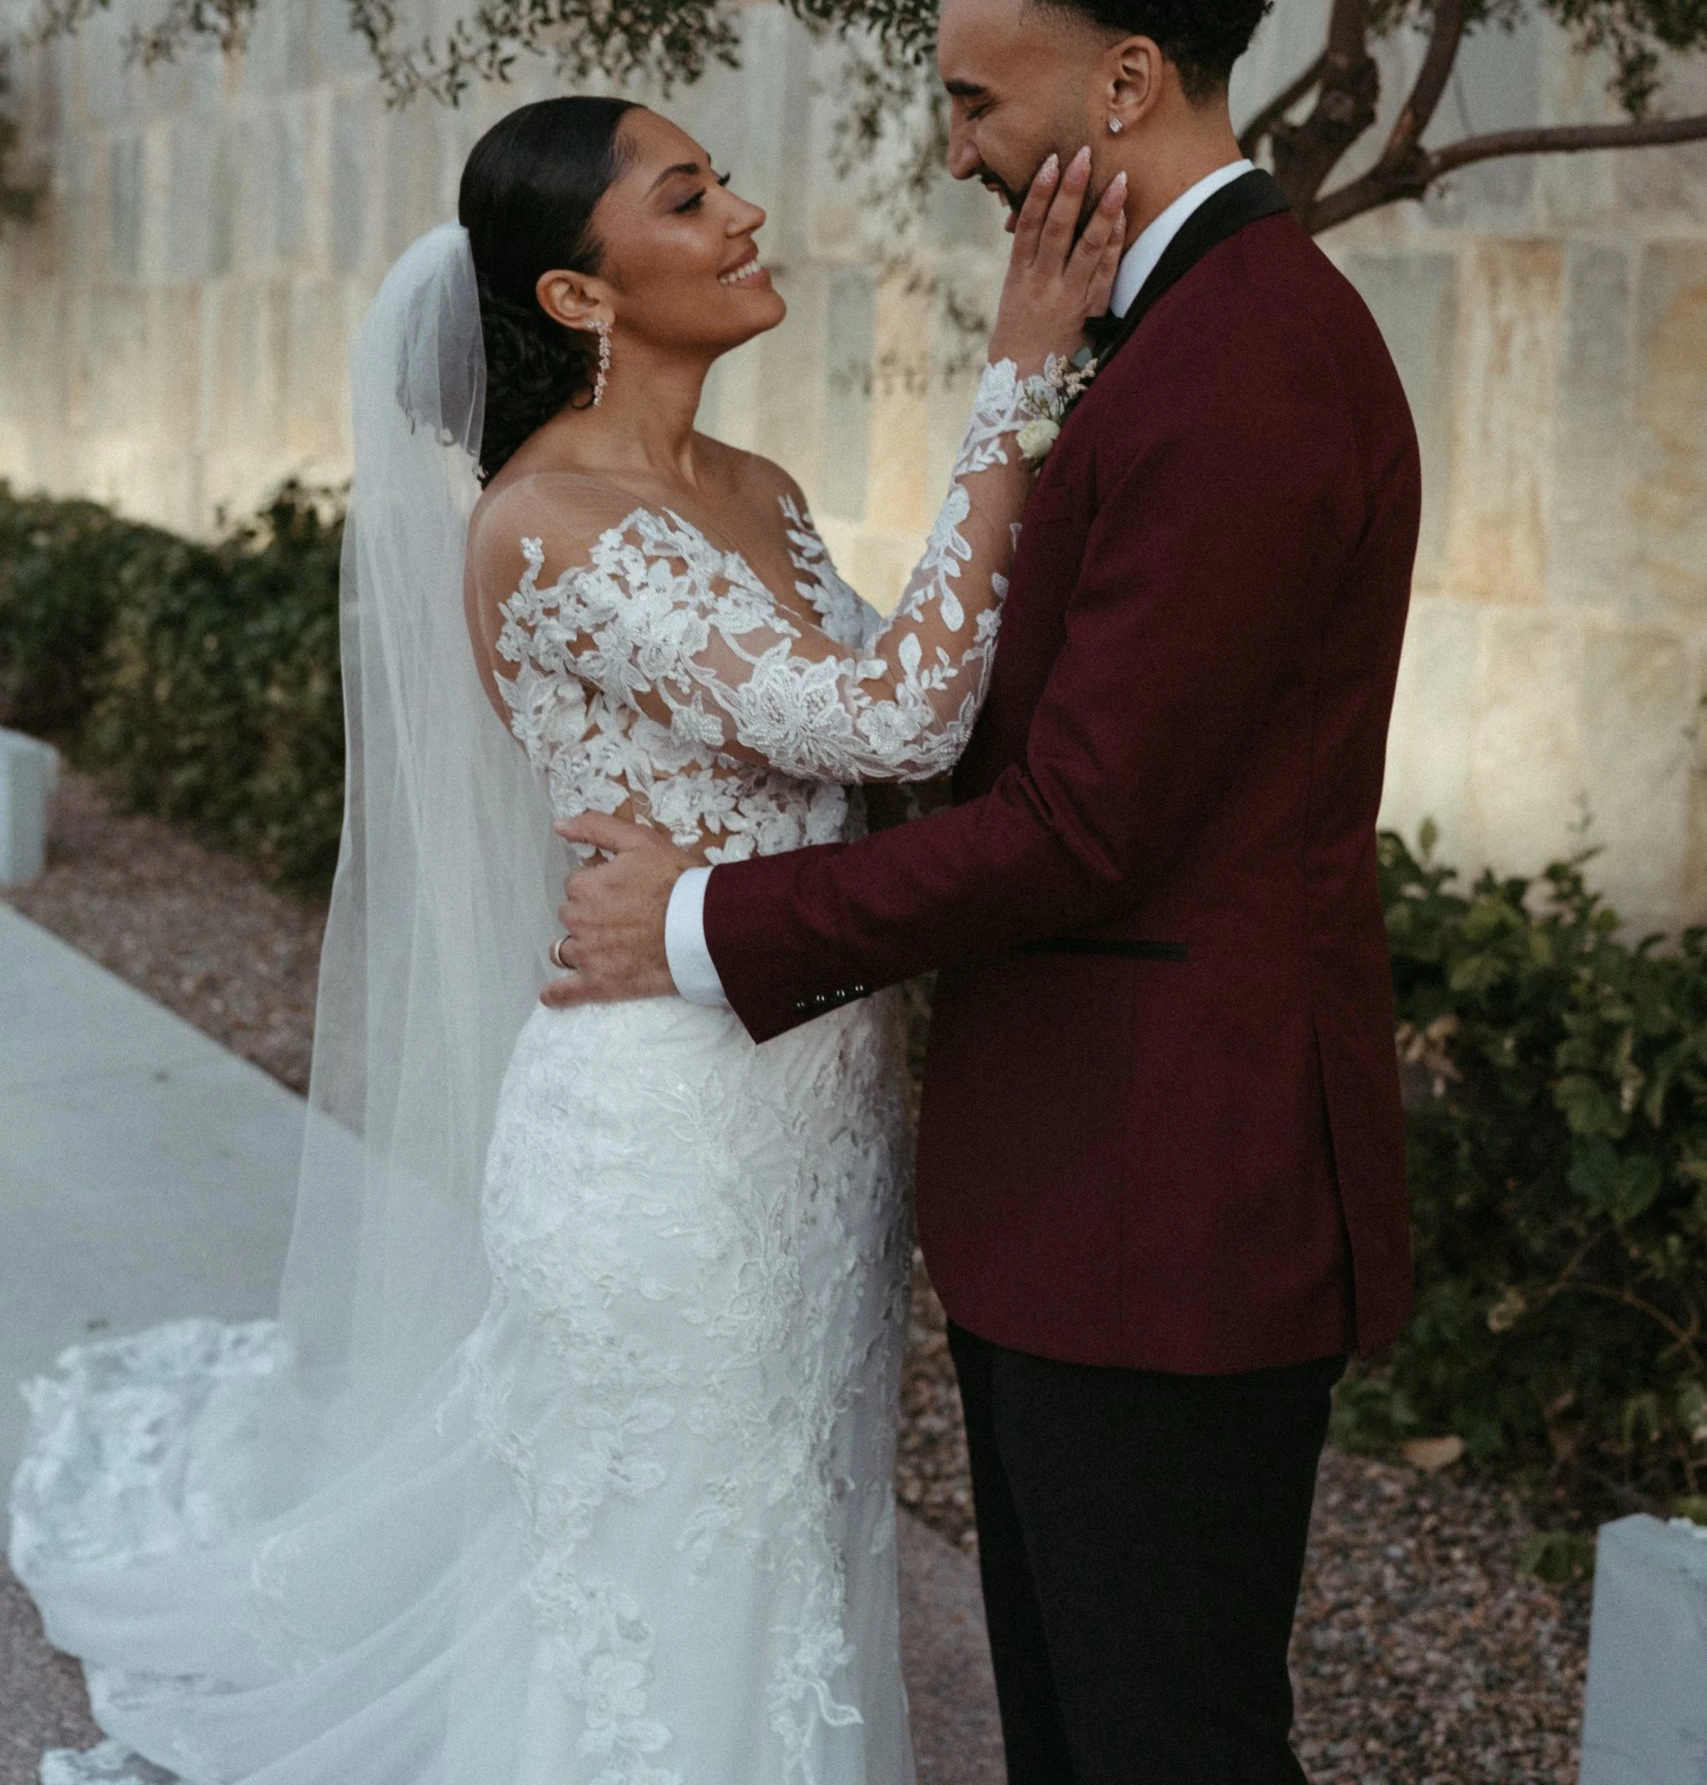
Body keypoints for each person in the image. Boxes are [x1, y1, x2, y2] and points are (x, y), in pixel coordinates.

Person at [9, 90, 1120, 1785]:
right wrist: (1016, 381)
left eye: (723, 179)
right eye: (688, 196)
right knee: (659, 1554)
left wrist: (750, 851)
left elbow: (913, 734)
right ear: (578, 297)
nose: (744, 212)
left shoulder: (760, 483)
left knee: (785, 1533)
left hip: (817, 1110)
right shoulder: (548, 524)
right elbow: (894, 722)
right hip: (661, 1126)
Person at [544, 0, 1423, 1785]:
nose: (951, 148)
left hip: (1171, 1189)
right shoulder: (1151, 332)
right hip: (1082, 1183)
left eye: (972, 96)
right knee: (1078, 1729)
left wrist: (701, 922)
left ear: (1122, 83)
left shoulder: (1252, 359)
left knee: (1160, 1737)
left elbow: (1081, 822)